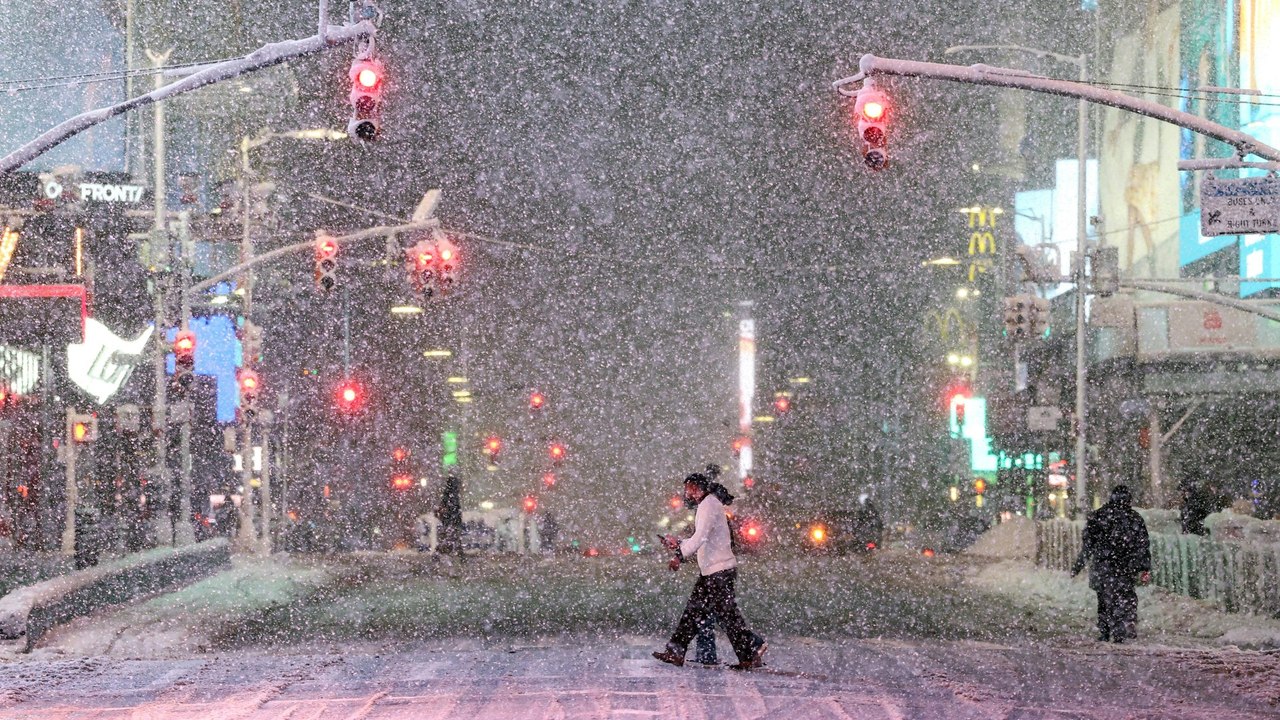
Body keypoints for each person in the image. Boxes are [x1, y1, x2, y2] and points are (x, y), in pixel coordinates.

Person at [653, 472, 767, 670]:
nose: (687, 493)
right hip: (713, 571)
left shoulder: (708, 505)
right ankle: (677, 651)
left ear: (698, 488)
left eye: (689, 489)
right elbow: (701, 538)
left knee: (724, 616)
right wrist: (678, 543)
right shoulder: (708, 504)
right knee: (697, 612)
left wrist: (679, 555)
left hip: (718, 572)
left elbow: (701, 537)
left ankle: (751, 649)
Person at [1071, 485, 1151, 643]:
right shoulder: (1135, 518)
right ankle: (1123, 626)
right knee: (1126, 596)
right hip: (1126, 566)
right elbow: (1143, 545)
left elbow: (1088, 545)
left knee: (1104, 599)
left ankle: (1106, 631)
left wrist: (1078, 565)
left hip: (1103, 565)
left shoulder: (1099, 516)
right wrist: (1144, 567)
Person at [435, 472, 464, 555]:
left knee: (449, 537)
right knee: (454, 537)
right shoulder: (453, 495)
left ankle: (440, 552)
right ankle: (458, 554)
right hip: (452, 520)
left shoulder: (447, 494)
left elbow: (446, 506)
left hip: (448, 520)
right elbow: (454, 508)